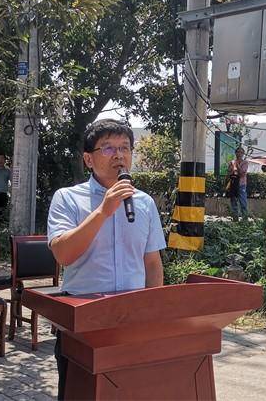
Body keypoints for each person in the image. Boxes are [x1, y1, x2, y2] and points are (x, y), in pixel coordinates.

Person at [46, 118, 166, 400]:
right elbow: (63, 254)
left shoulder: (145, 203)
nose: (120, 155)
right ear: (88, 159)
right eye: (109, 148)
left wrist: (157, 316)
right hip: (84, 320)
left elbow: (152, 264)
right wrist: (103, 210)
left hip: (132, 321)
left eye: (125, 147)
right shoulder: (67, 199)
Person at [228, 147, 249, 220]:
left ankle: (245, 219)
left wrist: (237, 166)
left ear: (243, 154)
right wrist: (231, 168)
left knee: (243, 202)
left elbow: (242, 173)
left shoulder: (245, 162)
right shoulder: (232, 162)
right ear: (235, 153)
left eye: (241, 152)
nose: (239, 154)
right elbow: (230, 173)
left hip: (241, 184)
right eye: (238, 152)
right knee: (233, 202)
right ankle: (235, 218)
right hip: (233, 184)